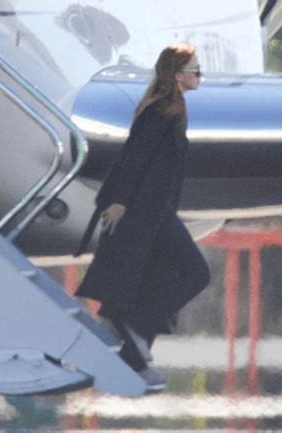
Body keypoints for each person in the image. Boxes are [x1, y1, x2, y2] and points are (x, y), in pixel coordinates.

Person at [73, 43, 211, 392]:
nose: (200, 75)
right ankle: (136, 324)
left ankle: (134, 350)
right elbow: (133, 157)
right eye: (195, 70)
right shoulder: (160, 111)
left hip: (158, 209)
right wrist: (119, 201)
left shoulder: (173, 109)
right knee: (196, 272)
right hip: (148, 212)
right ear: (177, 75)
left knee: (158, 276)